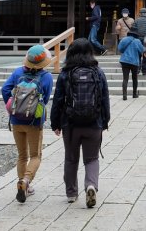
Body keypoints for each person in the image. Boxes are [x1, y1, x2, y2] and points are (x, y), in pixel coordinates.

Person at [50, 38, 110, 208]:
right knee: (91, 159)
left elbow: (58, 100)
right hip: (93, 122)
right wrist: (104, 121)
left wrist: (55, 123)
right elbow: (105, 98)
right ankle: (90, 185)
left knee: (71, 159)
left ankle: (71, 193)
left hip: (70, 123)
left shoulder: (65, 73)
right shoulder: (98, 72)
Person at [1, 44, 54, 203]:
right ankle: (26, 181)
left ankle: (21, 183)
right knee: (35, 155)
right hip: (34, 121)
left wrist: (12, 107)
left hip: (16, 120)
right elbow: (45, 99)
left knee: (22, 155)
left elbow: (5, 89)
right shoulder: (46, 77)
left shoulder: (18, 72)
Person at [118, 29, 144, 100]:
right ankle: (134, 94)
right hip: (134, 61)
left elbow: (120, 49)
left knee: (125, 78)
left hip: (124, 61)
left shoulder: (124, 39)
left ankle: (124, 95)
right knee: (135, 78)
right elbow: (142, 50)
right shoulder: (137, 41)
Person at [133, 8, 146, 73]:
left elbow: (133, 30)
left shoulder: (136, 20)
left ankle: (138, 68)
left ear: (140, 14)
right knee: (145, 54)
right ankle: (144, 70)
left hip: (138, 39)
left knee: (138, 54)